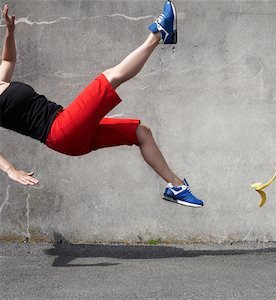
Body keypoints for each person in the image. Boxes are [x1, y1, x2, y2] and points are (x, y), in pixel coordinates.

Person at [0, 1, 203, 208]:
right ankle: (158, 34)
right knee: (109, 78)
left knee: (142, 132)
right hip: (60, 130)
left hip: (67, 131)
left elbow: (8, 61)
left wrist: (10, 31)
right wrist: (10, 170)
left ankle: (176, 187)